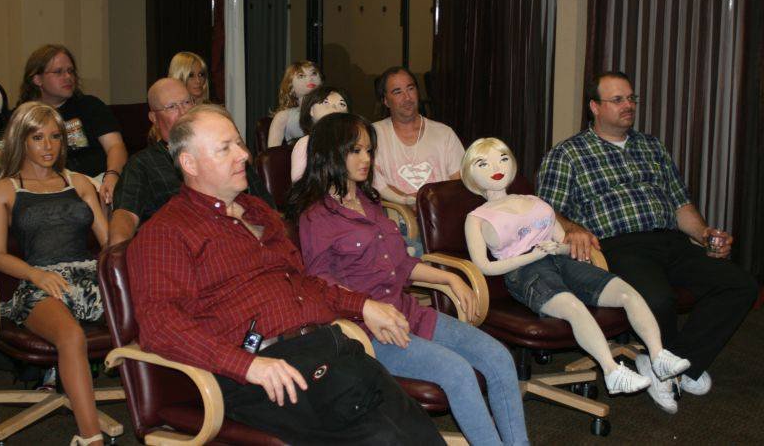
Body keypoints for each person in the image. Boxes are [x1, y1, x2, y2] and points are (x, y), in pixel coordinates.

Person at [127, 105, 444, 445]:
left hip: (328, 347)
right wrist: (247, 365)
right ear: (189, 164)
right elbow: (160, 325)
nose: (243, 154)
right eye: (225, 148)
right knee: (382, 438)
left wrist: (363, 305)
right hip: (262, 370)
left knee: (420, 431)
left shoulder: (258, 212)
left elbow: (304, 283)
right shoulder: (167, 231)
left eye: (239, 143)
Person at [291, 113, 529, 446]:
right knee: (458, 372)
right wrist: (368, 308)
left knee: (499, 357)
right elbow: (321, 286)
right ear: (331, 154)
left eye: (369, 150)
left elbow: (402, 263)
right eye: (356, 151)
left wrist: (450, 280)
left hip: (408, 312)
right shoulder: (316, 217)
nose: (366, 158)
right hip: (370, 331)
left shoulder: (368, 202)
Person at [537, 71, 757, 413]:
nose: (628, 105)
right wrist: (572, 227)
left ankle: (676, 365)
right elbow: (546, 210)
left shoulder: (652, 146)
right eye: (617, 100)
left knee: (740, 284)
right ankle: (668, 364)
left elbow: (680, 205)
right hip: (618, 245)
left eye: (631, 98)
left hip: (670, 241)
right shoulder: (568, 154)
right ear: (594, 107)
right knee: (658, 298)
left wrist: (703, 234)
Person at [462, 137, 691, 404]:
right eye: (483, 163)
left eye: (502, 159)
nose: (496, 168)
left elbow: (562, 242)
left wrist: (556, 248)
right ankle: (612, 371)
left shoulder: (535, 201)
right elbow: (484, 267)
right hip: (523, 272)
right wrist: (534, 255)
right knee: (574, 307)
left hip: (561, 260)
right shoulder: (477, 218)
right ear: (471, 173)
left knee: (626, 292)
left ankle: (658, 356)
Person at [0, 102, 109, 446]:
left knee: (154, 313)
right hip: (40, 280)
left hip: (90, 277)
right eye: (37, 137)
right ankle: (91, 439)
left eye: (55, 137)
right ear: (21, 140)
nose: (48, 146)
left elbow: (110, 243)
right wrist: (34, 275)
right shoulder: (5, 188)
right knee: (71, 337)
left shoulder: (79, 182)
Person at [109, 79, 272, 245]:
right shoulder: (142, 164)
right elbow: (125, 217)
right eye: (172, 107)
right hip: (187, 245)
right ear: (154, 118)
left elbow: (268, 210)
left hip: (247, 241)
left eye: (187, 102)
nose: (183, 112)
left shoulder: (227, 156)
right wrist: (118, 253)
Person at [18, 44, 127, 206]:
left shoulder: (90, 105)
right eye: (58, 72)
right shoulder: (24, 116)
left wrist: (112, 175)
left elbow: (115, 146)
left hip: (98, 181)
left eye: (71, 71)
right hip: (49, 189)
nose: (68, 77)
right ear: (37, 79)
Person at [372, 66, 465, 207]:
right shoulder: (373, 134)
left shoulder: (444, 133)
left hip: (440, 213)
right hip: (395, 215)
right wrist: (406, 201)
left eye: (410, 89)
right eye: (397, 92)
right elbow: (373, 183)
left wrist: (430, 205)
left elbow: (460, 184)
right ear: (385, 100)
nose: (407, 97)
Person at [290, 86, 349, 181]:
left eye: (342, 104)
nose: (334, 107)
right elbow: (300, 183)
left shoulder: (351, 142)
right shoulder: (306, 143)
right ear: (311, 111)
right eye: (326, 102)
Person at [267, 61, 323, 147]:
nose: (310, 78)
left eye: (314, 73)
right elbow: (273, 152)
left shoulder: (331, 109)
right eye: (301, 76)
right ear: (291, 88)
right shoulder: (283, 116)